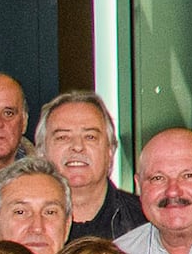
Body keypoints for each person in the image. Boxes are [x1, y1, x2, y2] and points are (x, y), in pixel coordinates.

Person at [37, 90, 137, 241]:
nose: (77, 146)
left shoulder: (145, 221)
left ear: (110, 151)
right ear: (42, 153)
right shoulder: (21, 225)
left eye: (90, 137)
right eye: (63, 137)